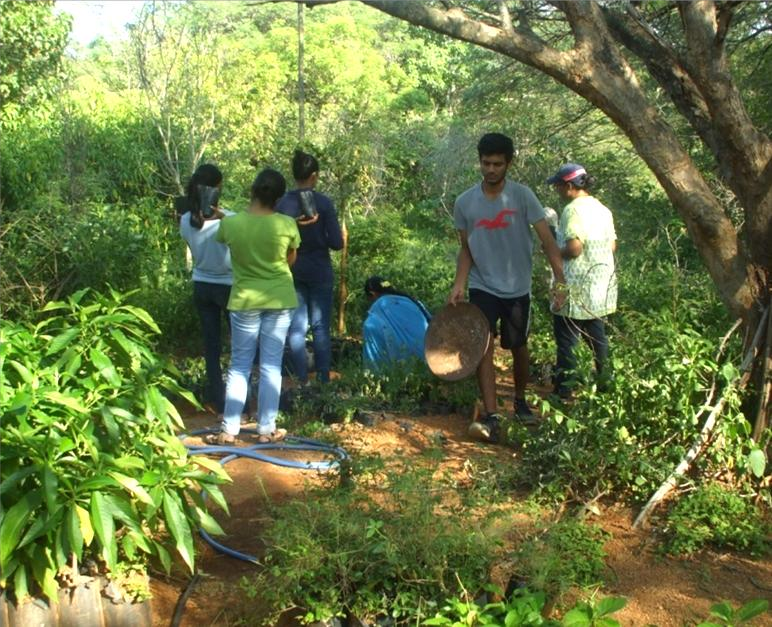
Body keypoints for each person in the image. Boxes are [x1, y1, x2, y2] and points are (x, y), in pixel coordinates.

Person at [449, 132, 566, 443]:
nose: (491, 169)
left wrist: (561, 280)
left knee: (518, 346)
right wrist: (459, 283)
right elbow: (466, 248)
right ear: (479, 162)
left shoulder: (523, 197)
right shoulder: (465, 202)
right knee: (483, 346)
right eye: (486, 163)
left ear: (508, 164)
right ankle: (491, 413)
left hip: (517, 287)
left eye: (497, 164)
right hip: (482, 284)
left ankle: (520, 399)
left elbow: (547, 241)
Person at [206, 168, 300, 445]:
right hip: (280, 298)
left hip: (244, 299)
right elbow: (290, 260)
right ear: (278, 198)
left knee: (239, 365)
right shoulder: (287, 224)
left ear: (252, 191)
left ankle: (229, 430)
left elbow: (229, 246)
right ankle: (266, 430)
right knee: (271, 365)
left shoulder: (231, 224)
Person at [547, 163, 617, 398]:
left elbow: (575, 248)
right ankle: (606, 386)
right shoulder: (603, 209)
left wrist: (554, 251)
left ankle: (564, 391)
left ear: (569, 186)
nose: (556, 190)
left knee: (567, 342)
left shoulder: (572, 211)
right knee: (598, 340)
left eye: (558, 185)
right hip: (599, 288)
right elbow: (612, 245)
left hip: (575, 287)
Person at [276, 150, 344, 384]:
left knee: (297, 327)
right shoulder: (323, 203)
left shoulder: (282, 204)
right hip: (320, 269)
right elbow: (337, 243)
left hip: (292, 268)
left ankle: (302, 380)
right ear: (314, 176)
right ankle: (323, 380)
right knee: (320, 326)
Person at [179, 164, 234, 415]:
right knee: (239, 347)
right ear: (216, 189)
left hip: (202, 285)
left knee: (211, 347)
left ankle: (218, 399)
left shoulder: (185, 220)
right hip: (229, 286)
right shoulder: (230, 219)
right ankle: (239, 400)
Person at [362, 276, 431, 370]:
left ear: (372, 294)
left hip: (404, 369)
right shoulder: (414, 302)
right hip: (432, 360)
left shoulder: (375, 317)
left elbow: (373, 360)